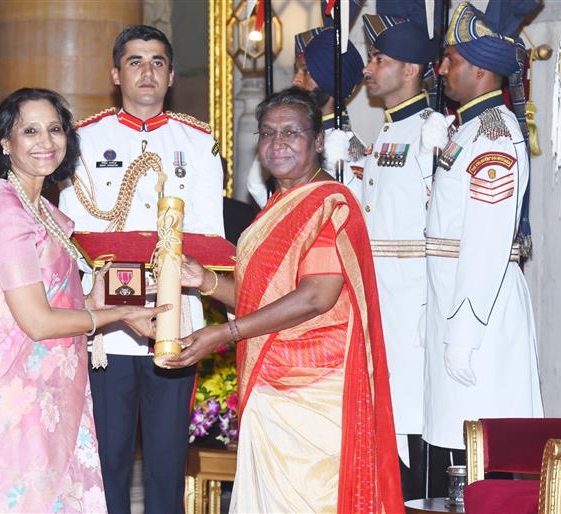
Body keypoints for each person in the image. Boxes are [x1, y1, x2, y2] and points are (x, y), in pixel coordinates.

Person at [166, 87, 403, 513]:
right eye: (268, 133)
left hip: (315, 388)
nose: (277, 143)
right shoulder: (276, 206)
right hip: (271, 385)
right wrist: (204, 281)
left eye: (292, 133)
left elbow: (316, 296)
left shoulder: (331, 204)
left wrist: (225, 331)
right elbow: (261, 299)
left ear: (317, 141)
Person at [0, 87, 168, 513]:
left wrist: (105, 294)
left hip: (51, 388)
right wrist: (117, 313)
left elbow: (59, 303)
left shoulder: (43, 210)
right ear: (5, 144)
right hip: (10, 392)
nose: (46, 141)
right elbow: (37, 320)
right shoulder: (3, 206)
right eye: (30, 131)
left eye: (55, 129)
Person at [59, 25, 224, 514]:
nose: (146, 71)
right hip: (108, 329)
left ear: (171, 75)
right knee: (106, 455)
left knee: (167, 458)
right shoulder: (84, 141)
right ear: (116, 73)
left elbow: (209, 240)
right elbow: (76, 241)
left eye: (156, 62)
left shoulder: (197, 143)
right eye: (135, 61)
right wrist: (122, 310)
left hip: (176, 320)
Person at [423, 0, 543, 495]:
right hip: (455, 306)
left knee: (483, 462)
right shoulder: (468, 129)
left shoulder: (494, 135)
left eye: (451, 58)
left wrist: (464, 334)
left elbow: (487, 241)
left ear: (479, 68)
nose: (443, 67)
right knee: (458, 454)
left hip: (480, 317)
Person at [359, 0, 437, 499]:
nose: (368, 68)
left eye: (379, 60)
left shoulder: (431, 131)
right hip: (383, 298)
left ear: (410, 70)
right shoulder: (388, 131)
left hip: (413, 304)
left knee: (415, 426)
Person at [246, 27, 366, 207]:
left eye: (305, 72)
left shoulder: (351, 147)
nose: (295, 80)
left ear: (329, 80)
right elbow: (257, 187)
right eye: (296, 71)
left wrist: (337, 165)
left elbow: (360, 208)